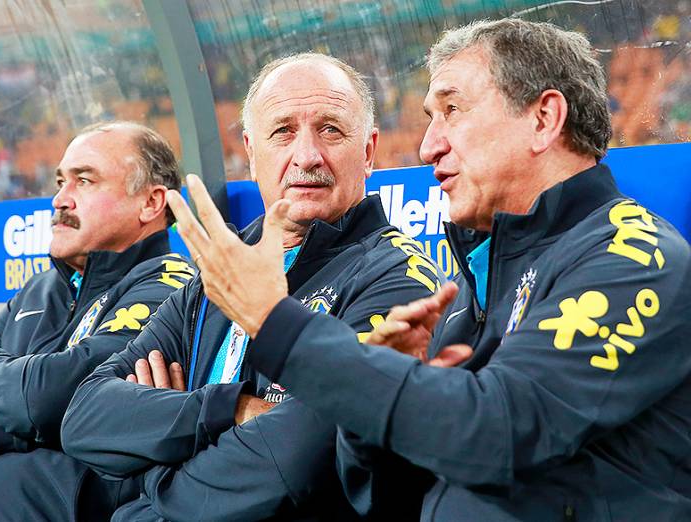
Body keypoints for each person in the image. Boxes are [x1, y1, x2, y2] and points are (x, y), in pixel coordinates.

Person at [172, 19, 691, 521]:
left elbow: (497, 433)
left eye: (451, 109)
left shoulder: (634, 259)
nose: (426, 146)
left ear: (543, 119)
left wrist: (274, 323)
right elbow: (392, 496)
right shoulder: (478, 285)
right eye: (427, 116)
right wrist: (375, 417)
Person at [61, 53, 446, 521]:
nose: (307, 155)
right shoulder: (219, 271)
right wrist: (231, 407)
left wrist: (156, 469)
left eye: (331, 130)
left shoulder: (396, 277)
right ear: (250, 151)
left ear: (368, 152)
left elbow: (294, 462)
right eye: (283, 131)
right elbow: (84, 417)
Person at [0, 121, 193, 521]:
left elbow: (46, 397)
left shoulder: (168, 285)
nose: (60, 199)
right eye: (61, 182)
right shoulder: (39, 290)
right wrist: (32, 425)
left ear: (150, 203)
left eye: (85, 181)